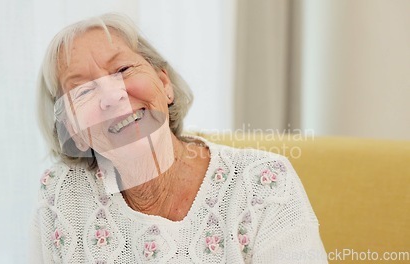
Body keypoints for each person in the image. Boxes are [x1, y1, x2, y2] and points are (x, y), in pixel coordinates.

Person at [30, 13, 327, 264]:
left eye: (122, 69)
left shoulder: (264, 183)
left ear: (164, 83)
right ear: (74, 131)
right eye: (82, 91)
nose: (111, 96)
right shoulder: (60, 194)